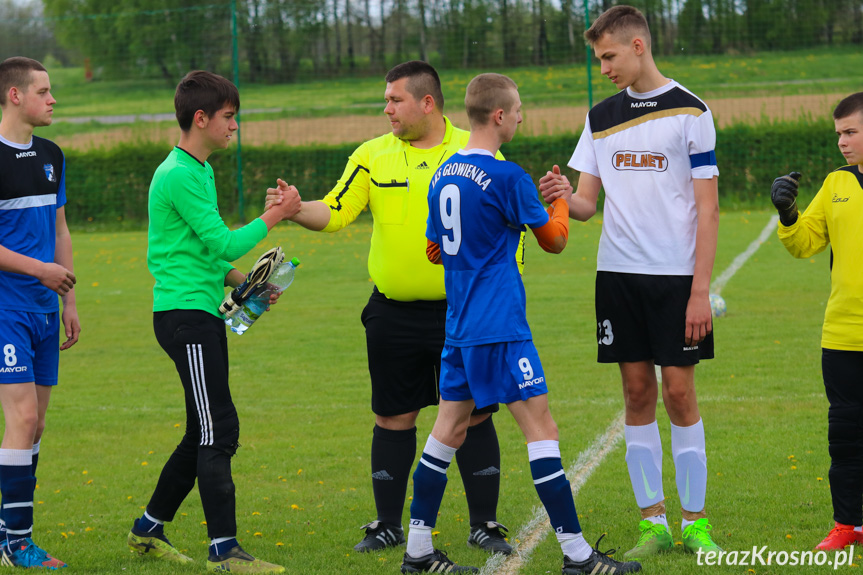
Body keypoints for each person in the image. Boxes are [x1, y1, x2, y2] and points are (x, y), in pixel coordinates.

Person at [266, 61, 512, 555]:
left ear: (427, 103)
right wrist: (296, 209)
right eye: (386, 100)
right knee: (392, 417)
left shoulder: (474, 150)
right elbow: (335, 211)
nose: (387, 109)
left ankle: (484, 524)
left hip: (461, 313)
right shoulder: (371, 155)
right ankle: (386, 525)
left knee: (475, 417)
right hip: (392, 314)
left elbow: (507, 229)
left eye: (395, 100)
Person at [400, 72, 640, 575]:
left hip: (460, 326)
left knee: (445, 433)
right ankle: (578, 556)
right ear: (501, 116)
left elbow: (432, 250)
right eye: (519, 109)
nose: (522, 116)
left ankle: (418, 550)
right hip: (501, 328)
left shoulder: (444, 172)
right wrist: (556, 197)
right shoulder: (508, 177)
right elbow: (555, 239)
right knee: (541, 428)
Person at [539, 5, 722, 560]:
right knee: (637, 393)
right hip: (617, 277)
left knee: (680, 392)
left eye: (609, 57)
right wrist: (558, 194)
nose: (605, 68)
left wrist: (698, 290)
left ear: (638, 46)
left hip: (676, 281)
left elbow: (707, 210)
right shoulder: (600, 116)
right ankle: (654, 523)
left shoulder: (692, 112)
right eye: (599, 60)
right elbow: (588, 203)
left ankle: (695, 522)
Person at [125, 70, 301, 574]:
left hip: (199, 315)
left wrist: (246, 282)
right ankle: (224, 551)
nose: (234, 127)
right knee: (218, 430)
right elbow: (223, 241)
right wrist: (276, 216)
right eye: (229, 118)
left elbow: (207, 253)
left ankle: (148, 528)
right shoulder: (178, 173)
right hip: (185, 319)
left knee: (201, 431)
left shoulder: (198, 169)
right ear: (200, 118)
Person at [770, 92, 863, 551]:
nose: (842, 143)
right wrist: (788, 213)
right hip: (844, 335)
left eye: (851, 132)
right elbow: (805, 244)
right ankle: (848, 524)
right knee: (845, 436)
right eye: (839, 134)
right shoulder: (836, 184)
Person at [0, 56, 79, 570]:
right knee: (22, 419)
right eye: (44, 91)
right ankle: (17, 542)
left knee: (37, 426)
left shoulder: (51, 154)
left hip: (45, 311)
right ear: (15, 97)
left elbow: (61, 230)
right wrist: (40, 271)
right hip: (6, 309)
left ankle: (7, 529)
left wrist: (68, 297)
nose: (52, 100)